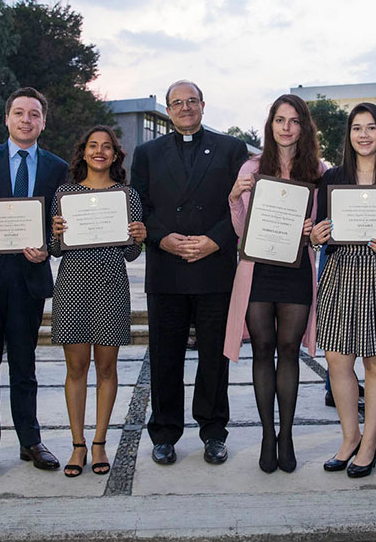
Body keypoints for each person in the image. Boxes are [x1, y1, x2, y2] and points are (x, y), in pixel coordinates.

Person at [130, 80, 248, 465]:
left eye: (191, 101)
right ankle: (164, 432)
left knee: (214, 356)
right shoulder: (147, 153)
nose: (184, 108)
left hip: (214, 267)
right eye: (176, 103)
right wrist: (163, 240)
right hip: (167, 268)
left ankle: (213, 431)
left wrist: (215, 241)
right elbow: (139, 206)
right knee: (165, 356)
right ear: (167, 110)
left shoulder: (232, 149)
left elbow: (242, 207)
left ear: (203, 104)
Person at [0, 87, 69, 481]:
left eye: (34, 114)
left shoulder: (57, 168)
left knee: (25, 368)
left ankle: (30, 441)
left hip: (28, 279)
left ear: (43, 121)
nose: (26, 120)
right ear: (6, 118)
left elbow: (60, 226)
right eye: (19, 113)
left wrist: (49, 247)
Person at [310, 102, 376, 479]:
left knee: (375, 362)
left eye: (371, 127)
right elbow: (319, 228)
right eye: (357, 128)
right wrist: (315, 235)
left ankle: (370, 443)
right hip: (342, 271)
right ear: (349, 135)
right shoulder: (332, 179)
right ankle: (349, 437)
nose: (363, 135)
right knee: (338, 359)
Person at [223, 94, 325, 473]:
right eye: (280, 120)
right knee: (263, 349)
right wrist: (234, 198)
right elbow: (238, 230)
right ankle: (268, 435)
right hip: (258, 269)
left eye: (294, 120)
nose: (286, 127)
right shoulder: (250, 168)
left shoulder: (318, 170)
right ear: (271, 125)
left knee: (288, 348)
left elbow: (321, 231)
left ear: (303, 126)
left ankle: (288, 434)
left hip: (296, 267)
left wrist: (313, 231)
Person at [50, 125, 146, 477]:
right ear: (84, 152)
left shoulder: (127, 195)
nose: (100, 151)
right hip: (73, 285)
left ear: (116, 155)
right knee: (76, 370)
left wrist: (139, 236)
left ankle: (100, 442)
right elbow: (55, 249)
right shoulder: (65, 193)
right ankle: (77, 445)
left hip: (110, 285)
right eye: (93, 145)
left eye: (107, 146)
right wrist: (57, 233)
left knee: (107, 369)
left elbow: (132, 252)